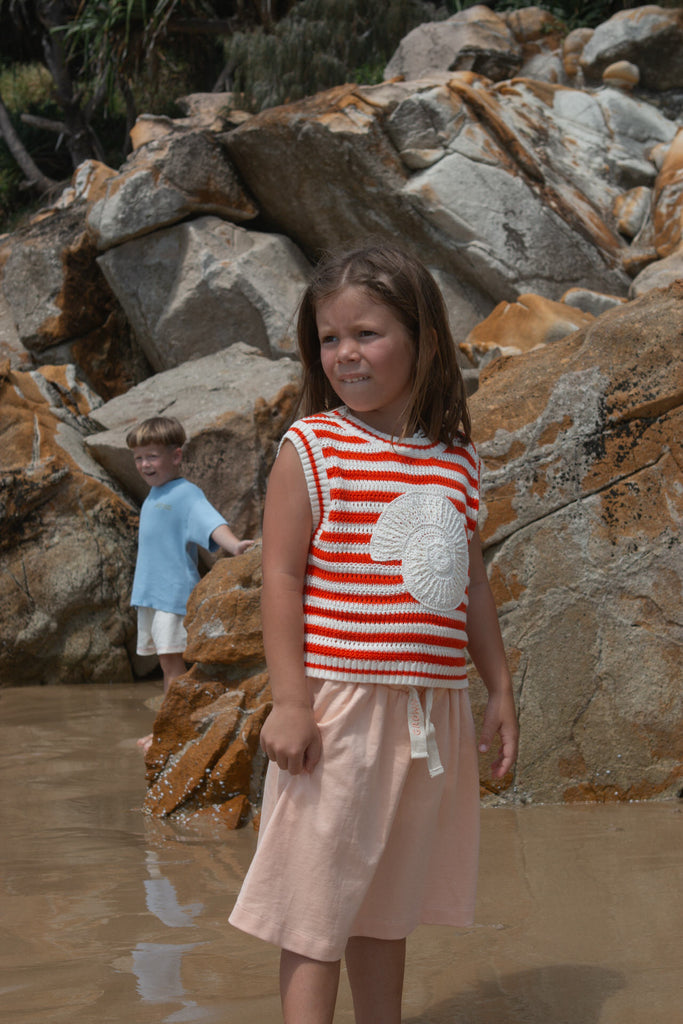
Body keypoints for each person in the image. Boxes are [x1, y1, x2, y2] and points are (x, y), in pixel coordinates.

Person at [229, 243, 518, 1024]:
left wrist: (497, 686)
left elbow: (471, 584)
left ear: (422, 341)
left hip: (429, 709)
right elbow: (281, 578)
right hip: (342, 705)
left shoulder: (456, 460)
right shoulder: (314, 448)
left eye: (366, 334)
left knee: (384, 906)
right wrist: (290, 703)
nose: (345, 354)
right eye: (329, 339)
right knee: (315, 905)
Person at [127, 415, 253, 751]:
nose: (144, 464)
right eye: (138, 458)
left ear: (176, 456)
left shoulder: (184, 493)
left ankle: (170, 732)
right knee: (167, 666)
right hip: (150, 598)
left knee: (173, 668)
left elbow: (209, 521)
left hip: (172, 595)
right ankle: (177, 725)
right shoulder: (153, 496)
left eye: (152, 456)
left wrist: (234, 544)